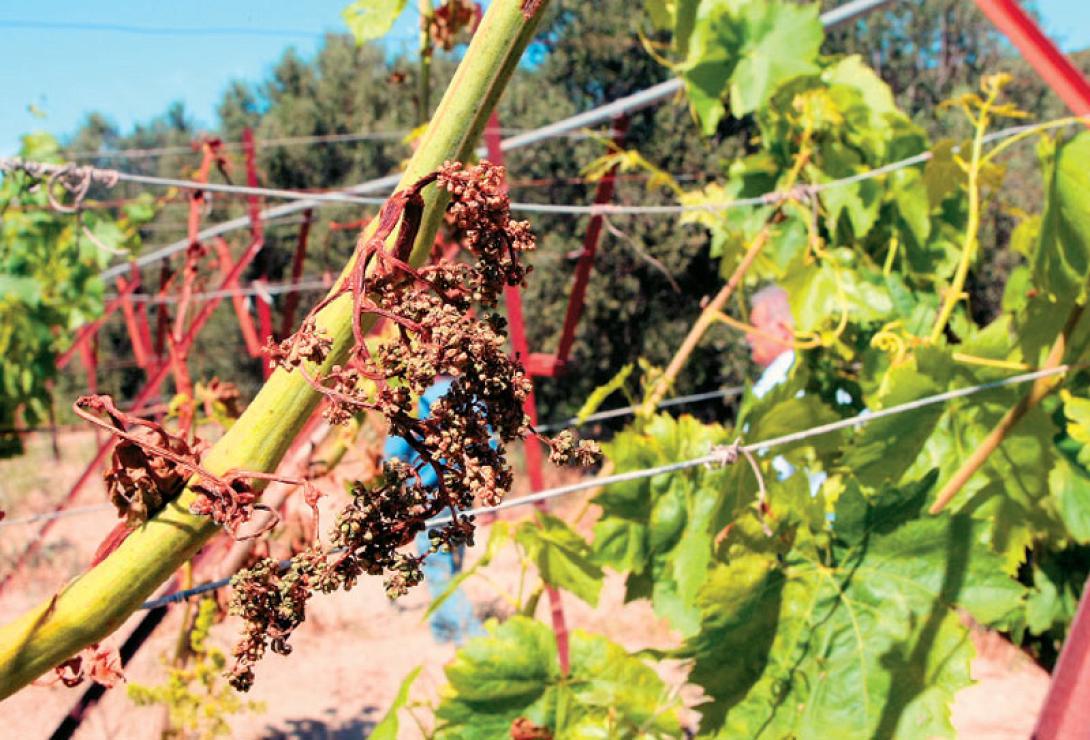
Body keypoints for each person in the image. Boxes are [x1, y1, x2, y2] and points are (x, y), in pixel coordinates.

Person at [382, 376, 484, 644]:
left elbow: (391, 459)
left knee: (439, 569)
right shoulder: (471, 412)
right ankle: (444, 632)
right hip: (460, 501)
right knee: (453, 565)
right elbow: (489, 451)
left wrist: (401, 490)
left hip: (429, 504)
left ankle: (469, 637)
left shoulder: (416, 421)